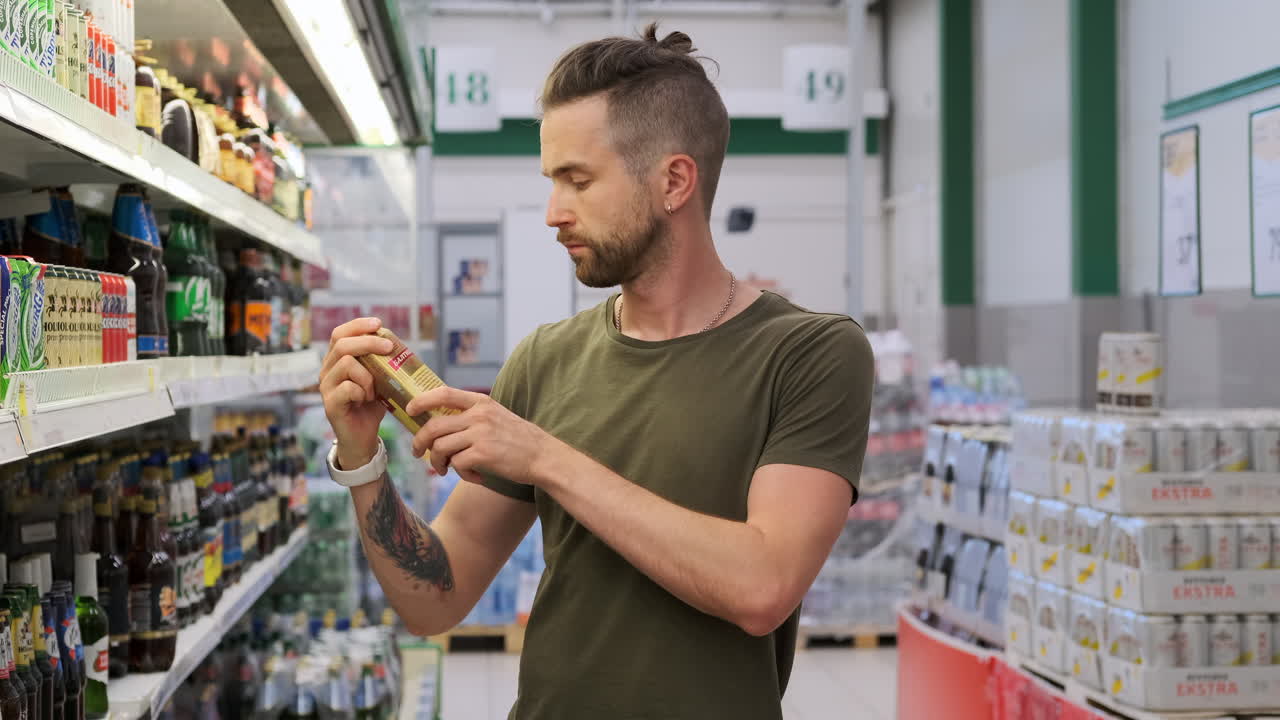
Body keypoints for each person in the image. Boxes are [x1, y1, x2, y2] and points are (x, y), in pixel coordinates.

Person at [319, 23, 875, 720]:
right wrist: (361, 459)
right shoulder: (545, 360)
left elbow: (763, 586)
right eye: (552, 181)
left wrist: (546, 458)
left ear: (674, 180)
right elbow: (437, 595)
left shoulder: (810, 354)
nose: (554, 214)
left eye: (578, 181)